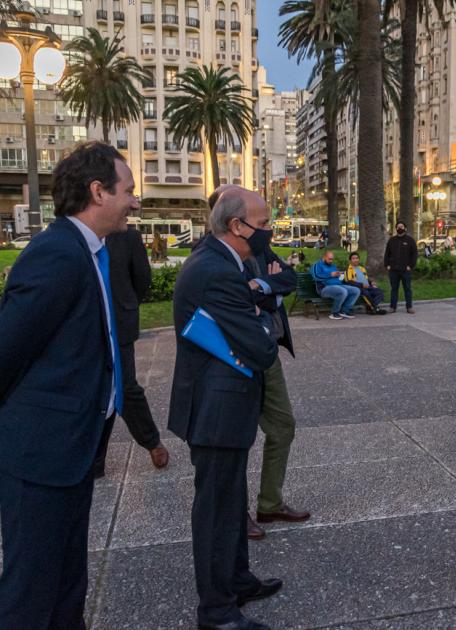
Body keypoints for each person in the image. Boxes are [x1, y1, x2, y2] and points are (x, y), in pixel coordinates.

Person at [0, 142, 139, 628]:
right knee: (31, 591)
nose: (134, 202)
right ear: (98, 192)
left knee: (65, 580)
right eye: (128, 191)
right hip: (37, 455)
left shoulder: (88, 250)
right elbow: (2, 354)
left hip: (71, 451)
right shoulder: (56, 254)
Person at [169, 189, 282, 630]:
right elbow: (260, 346)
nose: (270, 230)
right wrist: (262, 320)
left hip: (225, 405)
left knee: (231, 500)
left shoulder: (220, 261)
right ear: (238, 226)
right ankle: (216, 611)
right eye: (265, 222)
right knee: (216, 510)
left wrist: (258, 316)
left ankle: (236, 580)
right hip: (216, 410)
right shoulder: (217, 271)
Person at [206, 185, 311, 542]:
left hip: (267, 352)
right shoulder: (211, 257)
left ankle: (270, 503)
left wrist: (260, 286)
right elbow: (235, 299)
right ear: (232, 222)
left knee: (283, 427)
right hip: (235, 359)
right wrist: (260, 289)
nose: (266, 230)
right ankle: (238, 516)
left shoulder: (261, 248)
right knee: (236, 440)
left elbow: (289, 279)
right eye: (260, 221)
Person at [92, 226, 169, 476]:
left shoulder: (128, 236)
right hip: (86, 326)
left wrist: (126, 304)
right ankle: (95, 461)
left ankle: (151, 441)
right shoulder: (71, 236)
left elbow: (142, 278)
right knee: (95, 390)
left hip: (119, 323)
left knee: (125, 387)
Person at [311, 250, 360, 320]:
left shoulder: (333, 266)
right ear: (324, 257)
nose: (331, 261)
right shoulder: (316, 265)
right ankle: (334, 312)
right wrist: (330, 274)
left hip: (338, 285)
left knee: (356, 290)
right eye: (329, 259)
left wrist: (339, 275)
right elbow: (316, 277)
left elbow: (336, 277)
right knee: (342, 291)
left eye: (332, 259)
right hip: (324, 288)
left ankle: (344, 311)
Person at [384, 220, 418, 314]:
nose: (400, 228)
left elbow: (414, 254)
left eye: (402, 227)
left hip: (405, 270)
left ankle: (409, 307)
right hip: (393, 270)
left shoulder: (410, 240)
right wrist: (387, 265)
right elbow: (387, 253)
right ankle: (392, 307)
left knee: (407, 289)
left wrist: (410, 266)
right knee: (394, 289)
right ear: (396, 228)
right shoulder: (392, 240)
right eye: (398, 227)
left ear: (405, 228)